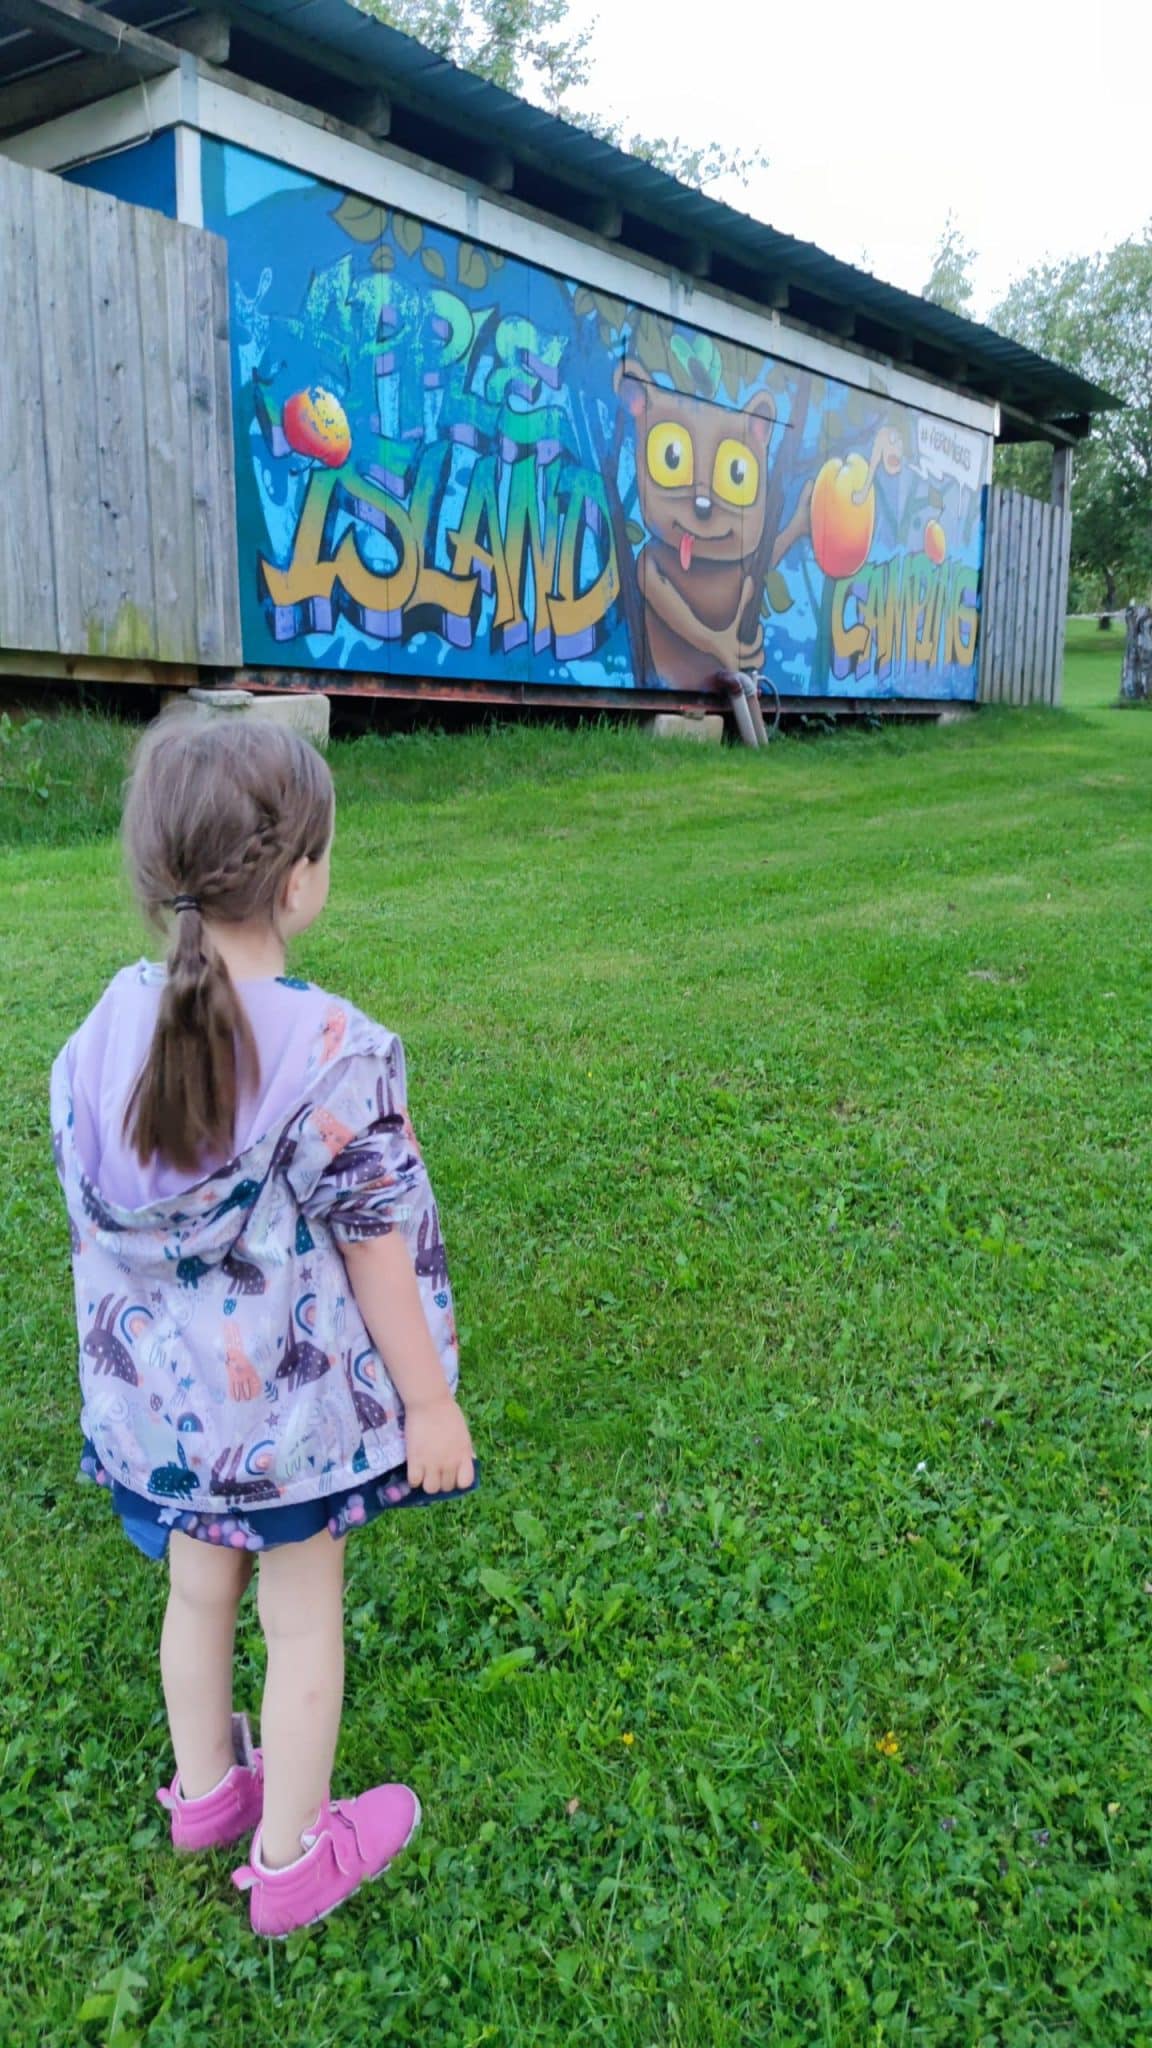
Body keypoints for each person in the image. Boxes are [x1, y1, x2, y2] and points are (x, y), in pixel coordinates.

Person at [50, 711, 476, 1938]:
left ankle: (204, 1794)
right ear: (296, 882)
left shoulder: (101, 1034)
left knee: (196, 1596)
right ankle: (291, 1859)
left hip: (164, 1424)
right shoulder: (328, 1051)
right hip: (287, 1433)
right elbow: (376, 1247)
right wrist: (430, 1402)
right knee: (298, 1620)